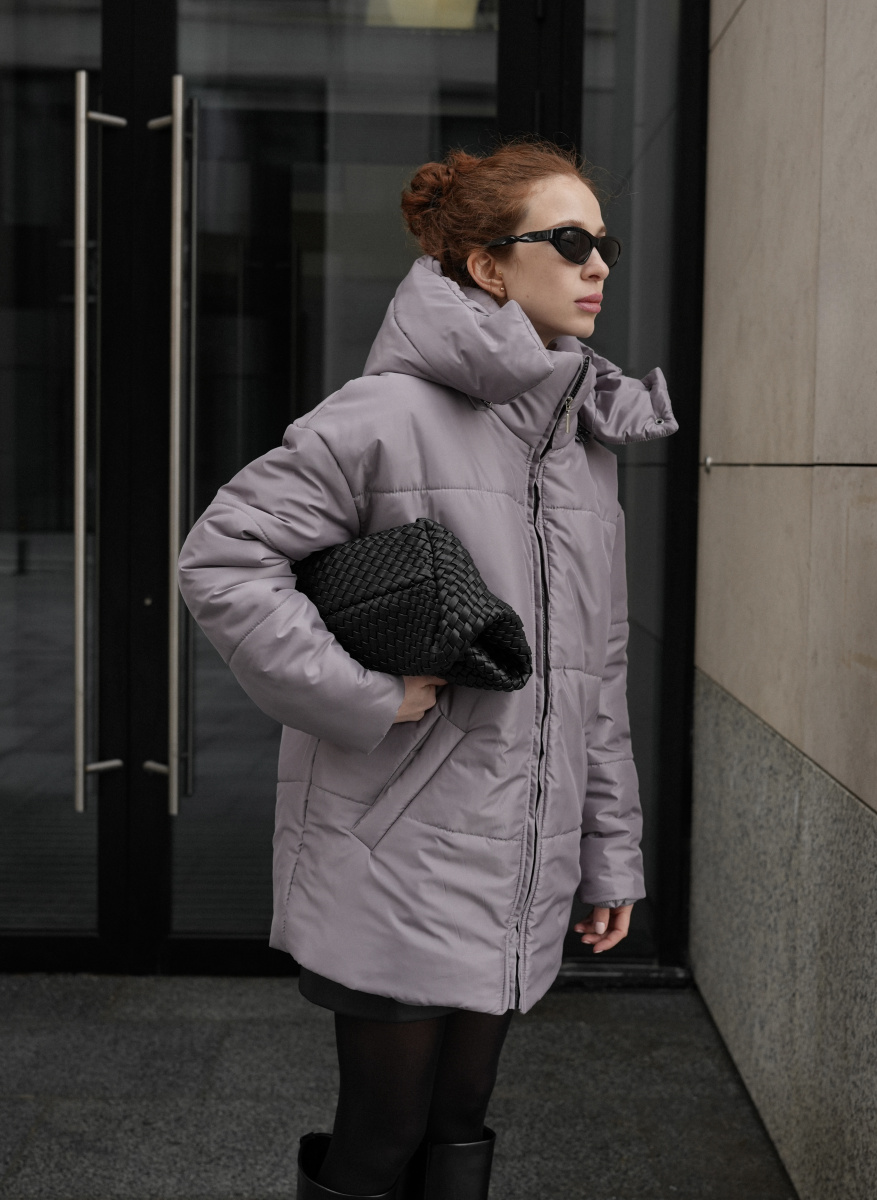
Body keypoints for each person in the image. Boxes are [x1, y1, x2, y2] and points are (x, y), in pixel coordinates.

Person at [177, 139, 677, 1200]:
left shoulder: (580, 444)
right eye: (569, 240)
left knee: (459, 1119)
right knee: (385, 1129)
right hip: (396, 850)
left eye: (604, 242)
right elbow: (222, 559)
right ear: (488, 266)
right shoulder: (387, 415)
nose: (597, 264)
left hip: (519, 857)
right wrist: (360, 694)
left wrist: (609, 851)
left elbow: (596, 674)